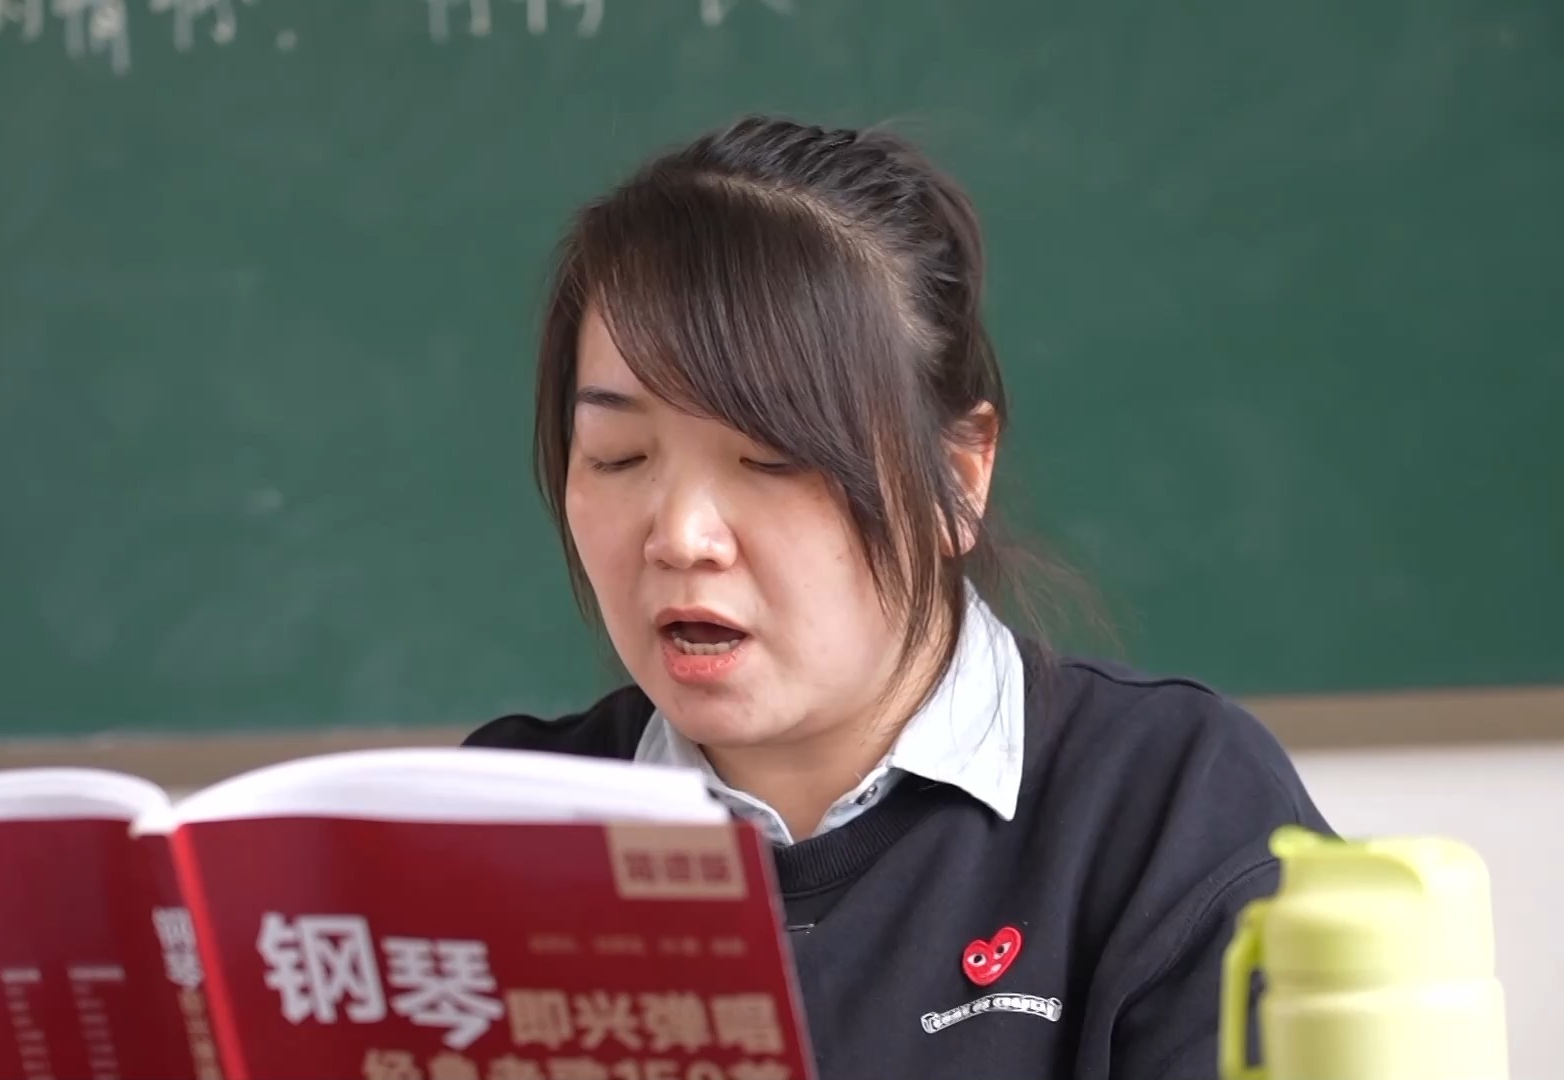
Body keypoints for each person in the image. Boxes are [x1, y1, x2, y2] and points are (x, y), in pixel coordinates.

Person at [464, 113, 1334, 1080]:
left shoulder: (1169, 805)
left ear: (954, 480)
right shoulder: (494, 825)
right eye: (618, 456)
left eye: (771, 460)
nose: (680, 537)